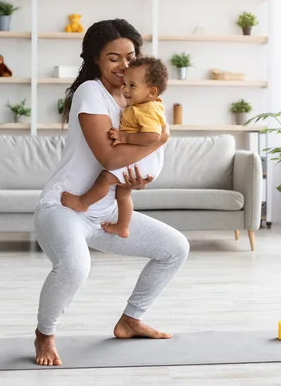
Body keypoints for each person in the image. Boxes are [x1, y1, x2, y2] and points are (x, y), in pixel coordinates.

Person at [33, 19, 190, 366]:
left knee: (175, 248)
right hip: (64, 207)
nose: (122, 66)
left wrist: (136, 181)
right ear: (95, 59)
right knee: (75, 267)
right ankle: (45, 334)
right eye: (112, 58)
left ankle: (130, 320)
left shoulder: (136, 98)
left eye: (130, 57)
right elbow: (109, 156)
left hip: (105, 212)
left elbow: (125, 163)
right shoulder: (91, 92)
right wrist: (159, 140)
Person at [60, 56, 169, 239]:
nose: (125, 89)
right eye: (125, 84)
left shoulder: (147, 109)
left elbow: (153, 136)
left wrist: (125, 136)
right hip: (147, 161)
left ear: (151, 92)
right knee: (123, 193)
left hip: (144, 158)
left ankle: (82, 203)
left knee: (105, 178)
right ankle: (122, 226)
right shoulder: (145, 105)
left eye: (132, 86)